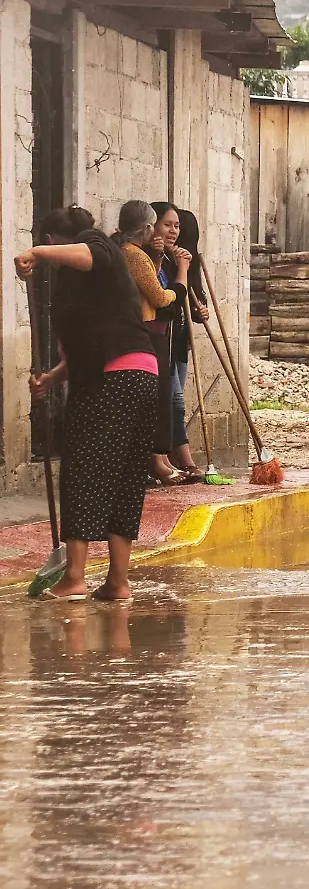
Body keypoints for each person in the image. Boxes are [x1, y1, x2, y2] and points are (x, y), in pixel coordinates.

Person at [16, 206, 159, 601]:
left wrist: (38, 255)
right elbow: (78, 355)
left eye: (47, 248)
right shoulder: (86, 290)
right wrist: (51, 378)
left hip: (112, 381)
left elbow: (88, 253)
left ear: (50, 241)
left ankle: (75, 578)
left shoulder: (100, 247)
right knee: (128, 477)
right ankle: (117, 582)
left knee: (83, 471)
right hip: (141, 377)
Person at [116, 201, 189, 485]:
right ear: (148, 228)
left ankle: (157, 461)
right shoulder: (132, 255)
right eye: (163, 225)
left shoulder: (139, 255)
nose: (170, 232)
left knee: (155, 401)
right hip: (145, 331)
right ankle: (148, 464)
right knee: (151, 401)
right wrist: (177, 289)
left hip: (151, 331)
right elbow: (159, 298)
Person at [152, 204, 210, 480]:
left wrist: (200, 311)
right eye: (168, 225)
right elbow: (168, 298)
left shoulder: (181, 260)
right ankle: (181, 458)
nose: (174, 232)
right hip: (161, 340)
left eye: (177, 227)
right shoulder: (154, 259)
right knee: (173, 400)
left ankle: (174, 455)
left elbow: (189, 298)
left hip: (180, 342)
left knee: (175, 400)